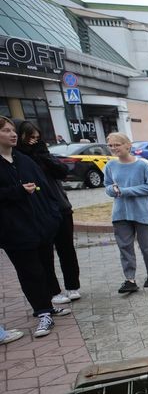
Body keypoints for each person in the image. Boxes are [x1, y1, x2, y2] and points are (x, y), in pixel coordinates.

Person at [0, 115, 70, 338]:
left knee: (45, 268)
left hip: (41, 226)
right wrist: (18, 191)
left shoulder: (23, 159)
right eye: (6, 130)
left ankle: (47, 305)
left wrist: (52, 216)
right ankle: (42, 312)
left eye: (13, 130)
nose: (12, 134)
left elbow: (45, 187)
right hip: (14, 231)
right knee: (30, 272)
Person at [16, 120, 81, 304]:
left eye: (37, 138)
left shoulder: (43, 153)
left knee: (66, 248)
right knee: (45, 254)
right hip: (39, 210)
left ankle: (72, 285)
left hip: (60, 206)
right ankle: (53, 290)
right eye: (30, 138)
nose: (34, 141)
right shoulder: (18, 159)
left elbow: (62, 171)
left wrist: (43, 156)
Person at [104, 132, 148, 294]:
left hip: (142, 212)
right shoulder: (110, 166)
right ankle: (130, 279)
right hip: (120, 213)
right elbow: (107, 186)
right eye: (111, 145)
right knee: (125, 247)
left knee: (147, 247)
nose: (114, 148)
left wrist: (125, 191)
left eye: (117, 144)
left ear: (128, 145)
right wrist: (112, 189)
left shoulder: (142, 165)